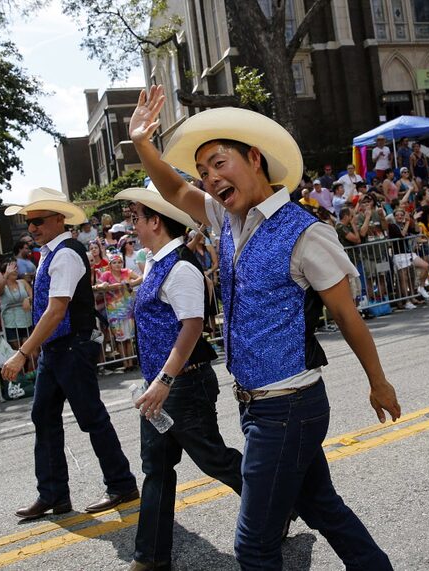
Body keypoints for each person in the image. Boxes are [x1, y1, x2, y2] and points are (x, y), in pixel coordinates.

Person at [128, 85, 400, 569]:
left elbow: (346, 315)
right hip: (260, 407)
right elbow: (172, 189)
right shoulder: (225, 220)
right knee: (324, 510)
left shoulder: (306, 231)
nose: (210, 178)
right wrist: (142, 144)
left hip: (289, 405)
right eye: (204, 171)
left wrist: (378, 382)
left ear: (254, 158)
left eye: (219, 163)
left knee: (254, 547)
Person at [114, 184, 243, 571]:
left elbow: (192, 327)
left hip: (182, 384)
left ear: (156, 221)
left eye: (136, 217)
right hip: (161, 386)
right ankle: (150, 556)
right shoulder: (156, 263)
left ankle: (279, 503)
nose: (132, 225)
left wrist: (164, 382)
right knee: (155, 467)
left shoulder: (181, 266)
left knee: (214, 460)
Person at [1, 186, 138, 520]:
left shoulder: (64, 253)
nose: (31, 227)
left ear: (59, 219)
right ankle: (53, 495)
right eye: (28, 222)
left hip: (72, 346)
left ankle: (121, 484)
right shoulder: (52, 253)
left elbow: (57, 310)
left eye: (38, 220)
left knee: (90, 417)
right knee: (44, 416)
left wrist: (23, 352)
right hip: (59, 348)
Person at [99, 253, 141, 371]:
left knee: (129, 337)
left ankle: (131, 363)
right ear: (110, 264)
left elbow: (141, 277)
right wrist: (105, 285)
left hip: (128, 310)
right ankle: (125, 363)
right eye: (115, 262)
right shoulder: (106, 274)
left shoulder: (126, 272)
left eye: (119, 262)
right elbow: (98, 285)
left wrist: (131, 283)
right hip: (114, 312)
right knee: (120, 338)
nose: (117, 265)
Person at [0, 261, 35, 370]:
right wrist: (6, 275)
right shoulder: (2, 285)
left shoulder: (22, 282)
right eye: (12, 269)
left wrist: (28, 299)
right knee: (17, 355)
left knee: (33, 354)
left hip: (26, 320)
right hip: (11, 323)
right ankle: (22, 382)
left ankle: (31, 378)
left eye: (16, 269)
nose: (15, 271)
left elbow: (33, 294)